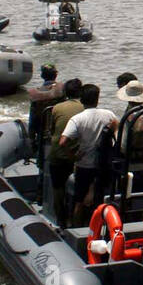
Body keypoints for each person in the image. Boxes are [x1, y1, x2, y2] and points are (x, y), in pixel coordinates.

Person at [61, 84, 119, 224]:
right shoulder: (109, 114)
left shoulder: (78, 119)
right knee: (104, 201)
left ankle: (76, 229)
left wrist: (72, 156)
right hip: (104, 165)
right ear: (97, 99)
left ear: (81, 100)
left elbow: (63, 142)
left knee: (79, 202)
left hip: (84, 166)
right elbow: (116, 128)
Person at [46, 79, 85, 222]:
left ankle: (61, 221)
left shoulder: (56, 108)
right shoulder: (85, 108)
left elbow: (52, 130)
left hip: (58, 154)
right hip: (79, 156)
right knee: (79, 189)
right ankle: (75, 220)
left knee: (58, 189)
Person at [27, 64, 65, 151]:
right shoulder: (62, 89)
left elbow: (32, 122)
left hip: (42, 134)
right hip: (60, 133)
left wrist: (32, 140)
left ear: (42, 76)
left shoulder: (34, 94)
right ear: (56, 75)